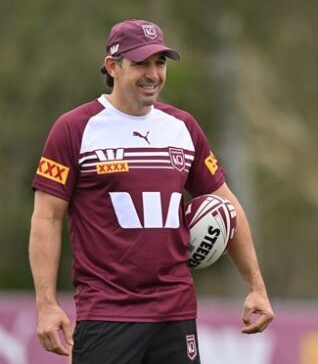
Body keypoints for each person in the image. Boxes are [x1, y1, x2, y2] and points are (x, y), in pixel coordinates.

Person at [29, 19, 274, 364]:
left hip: (175, 314)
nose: (153, 74)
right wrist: (46, 303)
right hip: (107, 314)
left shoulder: (183, 127)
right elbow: (47, 218)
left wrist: (256, 287)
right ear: (113, 66)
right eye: (141, 63)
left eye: (159, 63)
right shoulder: (74, 128)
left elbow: (226, 205)